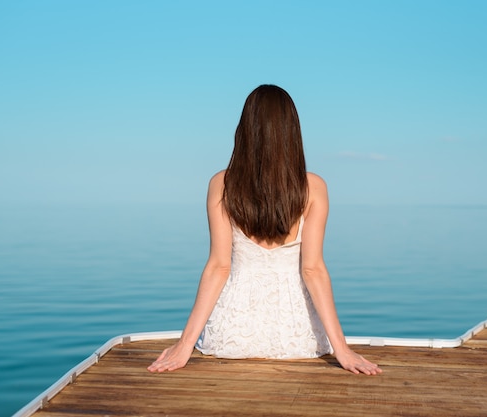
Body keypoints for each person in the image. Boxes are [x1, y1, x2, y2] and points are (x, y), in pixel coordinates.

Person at [148, 85, 382, 375]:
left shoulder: (221, 184)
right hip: (297, 336)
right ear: (292, 132)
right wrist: (342, 350)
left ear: (245, 130)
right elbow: (313, 270)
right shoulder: (314, 189)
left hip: (231, 336)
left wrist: (185, 345)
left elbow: (218, 267)